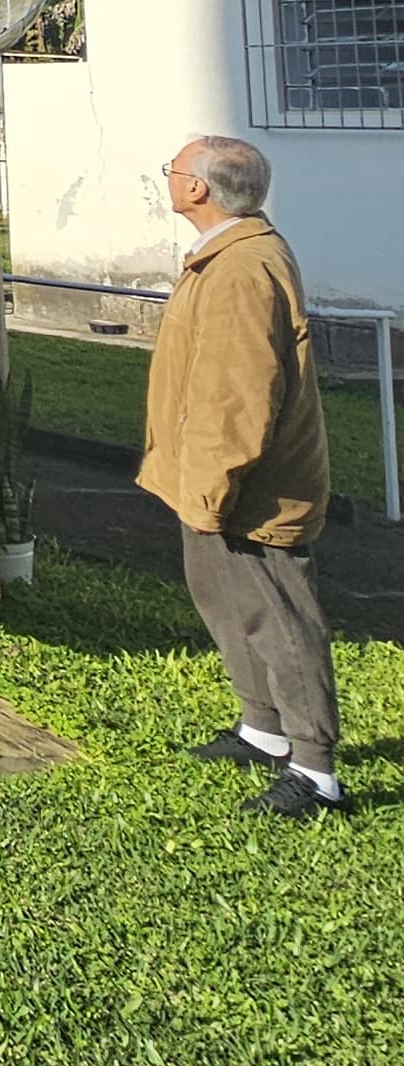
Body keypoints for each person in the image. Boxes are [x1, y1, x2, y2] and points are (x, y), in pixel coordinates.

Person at [140, 135, 344, 819]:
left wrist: (210, 488)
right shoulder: (226, 253)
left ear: (197, 190)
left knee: (278, 619)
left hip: (247, 486)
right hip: (212, 477)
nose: (168, 177)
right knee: (228, 604)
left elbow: (239, 392)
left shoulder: (240, 268)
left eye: (173, 169)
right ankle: (264, 728)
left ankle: (316, 773)